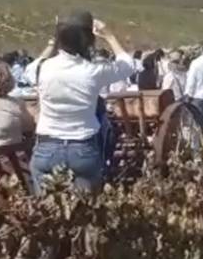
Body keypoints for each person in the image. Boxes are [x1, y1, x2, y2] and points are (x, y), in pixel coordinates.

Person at [31, 11, 135, 195]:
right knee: (85, 211)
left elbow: (32, 67)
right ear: (88, 40)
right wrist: (109, 35)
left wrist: (57, 38)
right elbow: (127, 65)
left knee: (45, 214)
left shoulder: (40, 68)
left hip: (47, 146)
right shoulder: (93, 71)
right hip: (82, 147)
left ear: (59, 38)